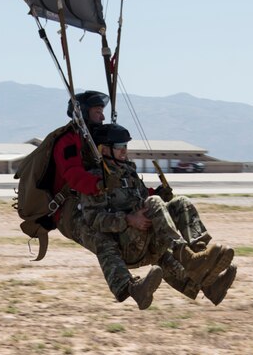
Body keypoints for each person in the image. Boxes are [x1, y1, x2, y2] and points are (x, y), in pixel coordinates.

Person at [14, 91, 162, 309]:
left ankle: (194, 276)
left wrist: (149, 193)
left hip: (92, 201)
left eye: (102, 112)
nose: (102, 117)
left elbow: (120, 177)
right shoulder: (69, 141)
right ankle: (129, 288)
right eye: (97, 112)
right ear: (83, 113)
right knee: (102, 238)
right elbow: (74, 175)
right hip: (67, 211)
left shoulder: (95, 139)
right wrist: (100, 185)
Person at [80, 123, 238, 305]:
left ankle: (204, 265)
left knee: (180, 203)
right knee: (154, 203)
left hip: (144, 237)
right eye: (119, 147)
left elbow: (141, 199)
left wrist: (160, 194)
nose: (124, 151)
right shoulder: (96, 178)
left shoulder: (128, 171)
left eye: (125, 146)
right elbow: (93, 219)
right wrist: (129, 220)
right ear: (104, 149)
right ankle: (187, 257)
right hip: (124, 245)